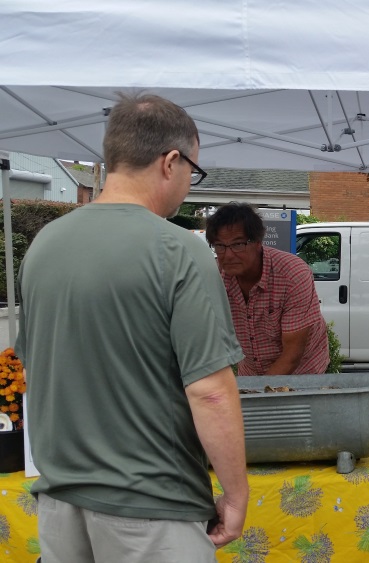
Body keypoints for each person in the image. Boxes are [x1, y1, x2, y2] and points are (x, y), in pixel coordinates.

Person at [15, 93, 249, 561]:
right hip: (152, 505)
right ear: (170, 162)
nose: (189, 184)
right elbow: (211, 392)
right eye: (193, 171)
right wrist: (236, 493)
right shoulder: (178, 250)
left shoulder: (44, 244)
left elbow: (36, 363)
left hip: (61, 499)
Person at [206, 203, 330, 376]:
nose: (228, 255)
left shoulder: (292, 274)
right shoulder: (214, 277)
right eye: (220, 246)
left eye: (238, 244)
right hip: (251, 371)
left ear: (257, 243)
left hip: (303, 372)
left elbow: (292, 354)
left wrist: (260, 394)